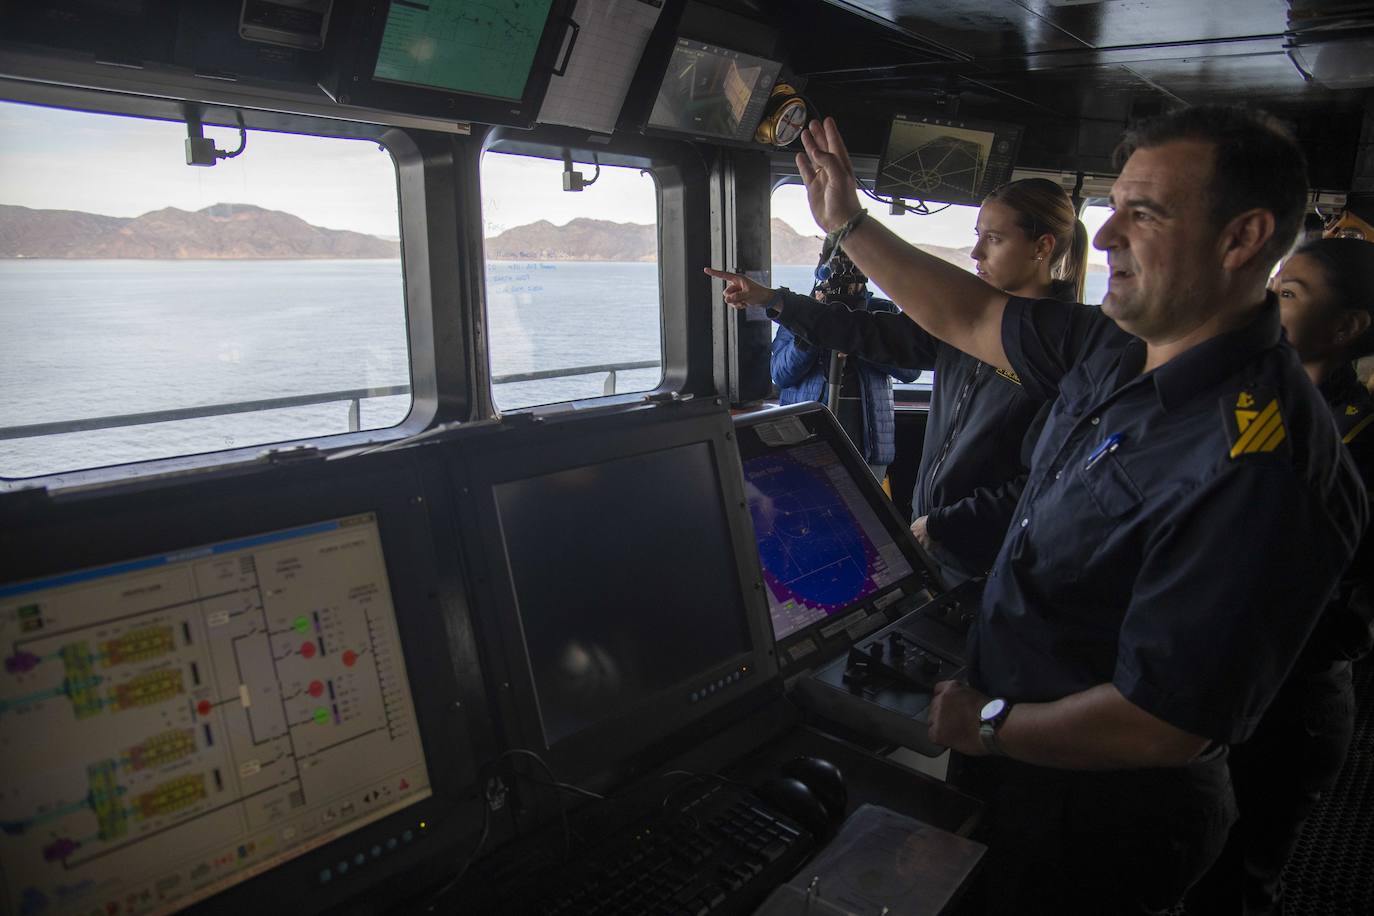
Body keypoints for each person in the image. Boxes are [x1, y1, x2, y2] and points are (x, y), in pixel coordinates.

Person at [742, 108, 1367, 915]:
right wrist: (851, 223)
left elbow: (1161, 724)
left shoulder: (1263, 464)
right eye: (1115, 210)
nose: (1105, 239)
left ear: (1242, 239)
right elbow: (965, 314)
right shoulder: (1117, 346)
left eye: (1143, 214)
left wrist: (989, 725)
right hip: (1012, 754)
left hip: (1104, 818)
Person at [709, 178, 1086, 584]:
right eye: (978, 236)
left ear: (1042, 247)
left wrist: (945, 523)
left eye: (993, 239)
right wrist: (775, 300)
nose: (976, 252)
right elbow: (865, 332)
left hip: (995, 560)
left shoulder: (1066, 351)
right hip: (937, 541)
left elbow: (1047, 479)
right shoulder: (963, 324)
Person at [1186, 237, 1374, 915]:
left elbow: (1347, 608)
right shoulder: (1244, 398)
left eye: (1290, 293)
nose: (1268, 299)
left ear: (1348, 327)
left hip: (1288, 703)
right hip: (1211, 680)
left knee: (1238, 880)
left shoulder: (1362, 439)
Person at [770, 247, 921, 482]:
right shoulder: (801, 312)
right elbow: (780, 373)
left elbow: (910, 370)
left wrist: (858, 338)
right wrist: (814, 331)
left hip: (867, 443)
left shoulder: (883, 312)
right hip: (806, 439)